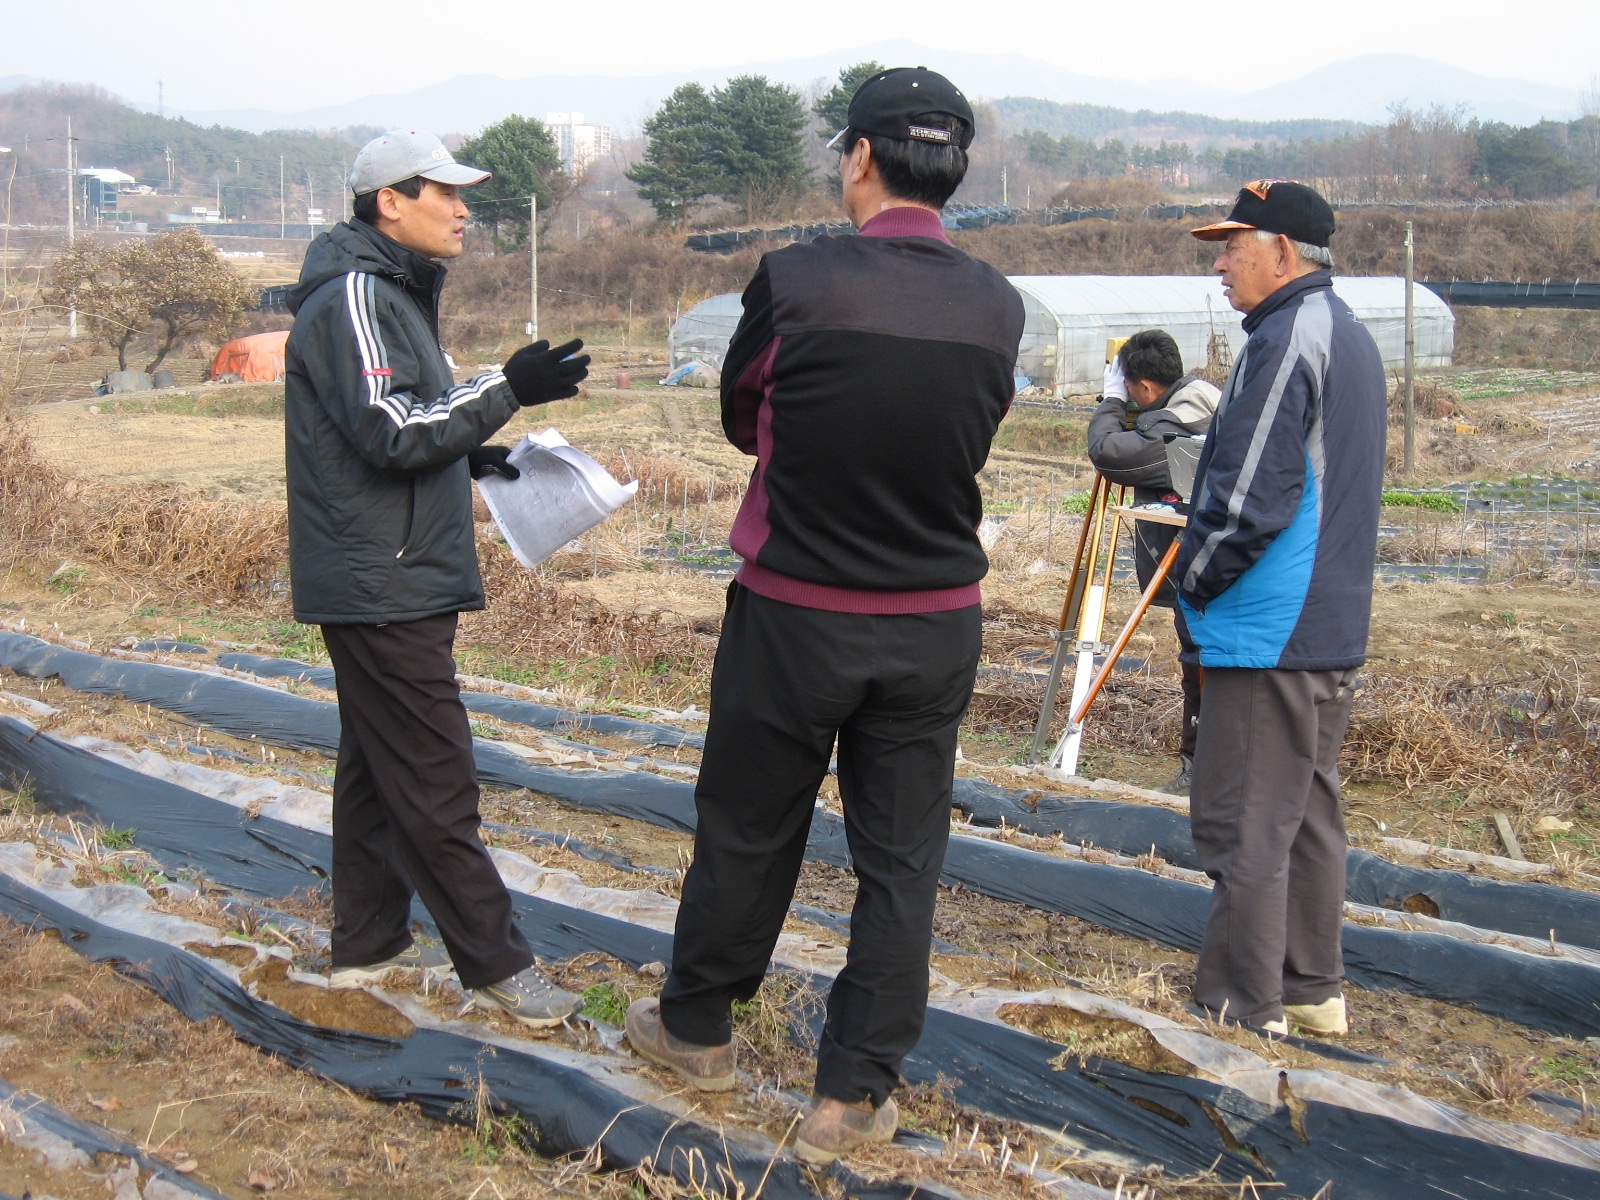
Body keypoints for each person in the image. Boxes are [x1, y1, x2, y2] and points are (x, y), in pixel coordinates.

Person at [623, 68, 1025, 1164]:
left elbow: (743, 414)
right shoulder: (997, 304)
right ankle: (852, 1095)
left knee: (750, 825)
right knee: (902, 858)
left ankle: (697, 1030)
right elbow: (973, 426)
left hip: (797, 610)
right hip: (934, 621)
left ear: (859, 158)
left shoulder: (796, 280)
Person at [284, 129, 591, 1024]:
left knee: (376, 771)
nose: (463, 211)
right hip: (383, 579)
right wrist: (506, 387)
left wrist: (470, 454)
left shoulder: (391, 291)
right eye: (444, 193)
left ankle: (368, 946)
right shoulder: (354, 294)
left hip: (392, 566)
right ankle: (499, 965)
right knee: (433, 774)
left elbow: (394, 424)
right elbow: (388, 427)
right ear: (390, 201)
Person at [1175, 180, 1385, 1037]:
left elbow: (1248, 499)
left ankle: (1241, 1008)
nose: (1220, 265)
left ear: (1283, 252)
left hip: (1270, 627)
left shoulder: (1287, 337)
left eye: (1234, 247)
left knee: (1246, 823)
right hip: (1326, 625)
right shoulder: (1348, 333)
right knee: (1304, 817)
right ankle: (1310, 988)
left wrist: (1193, 578)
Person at [1086, 330, 1219, 794]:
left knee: (1199, 659)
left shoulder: (1180, 421)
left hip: (1201, 563)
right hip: (1216, 558)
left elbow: (1109, 453)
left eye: (1129, 388)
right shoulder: (1209, 398)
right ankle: (1203, 766)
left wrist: (1110, 401)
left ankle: (1199, 769)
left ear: (1143, 386)